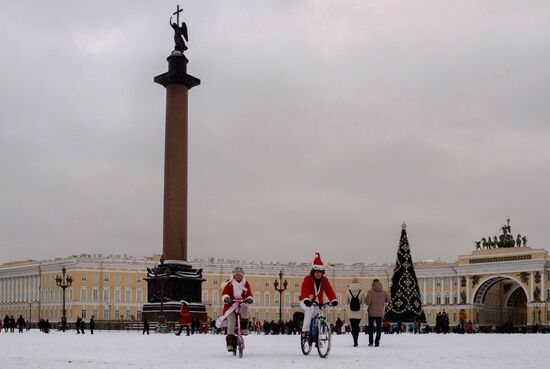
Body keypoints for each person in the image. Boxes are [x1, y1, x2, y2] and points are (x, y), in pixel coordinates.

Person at [299, 252, 338, 341]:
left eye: (320, 272)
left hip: (317, 302)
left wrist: (333, 299)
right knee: (310, 309)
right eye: (316, 272)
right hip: (305, 300)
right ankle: (305, 331)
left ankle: (316, 333)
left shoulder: (324, 280)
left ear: (322, 272)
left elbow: (329, 291)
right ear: (313, 271)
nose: (318, 274)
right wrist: (306, 299)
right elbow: (304, 289)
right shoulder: (308, 279)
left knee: (318, 313)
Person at [216, 266, 254, 352]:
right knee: (231, 322)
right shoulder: (229, 283)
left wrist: (249, 298)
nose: (238, 276)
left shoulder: (245, 283)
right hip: (230, 306)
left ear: (242, 276)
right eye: (236, 275)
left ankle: (244, 328)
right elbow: (225, 293)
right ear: (234, 275)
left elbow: (249, 294)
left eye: (239, 275)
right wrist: (226, 298)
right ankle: (229, 343)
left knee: (245, 307)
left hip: (241, 304)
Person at [365, 279, 389, 347]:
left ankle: (371, 342)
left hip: (371, 312)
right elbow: (388, 300)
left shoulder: (370, 292)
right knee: (379, 328)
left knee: (371, 328)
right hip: (380, 313)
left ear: (373, 284)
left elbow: (368, 302)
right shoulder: (384, 292)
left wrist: (366, 299)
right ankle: (377, 342)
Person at [347, 277, 365, 347]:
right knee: (356, 326)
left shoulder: (348, 291)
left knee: (353, 326)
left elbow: (347, 302)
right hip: (358, 312)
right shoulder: (361, 291)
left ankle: (355, 341)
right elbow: (363, 302)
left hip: (351, 313)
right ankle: (356, 340)